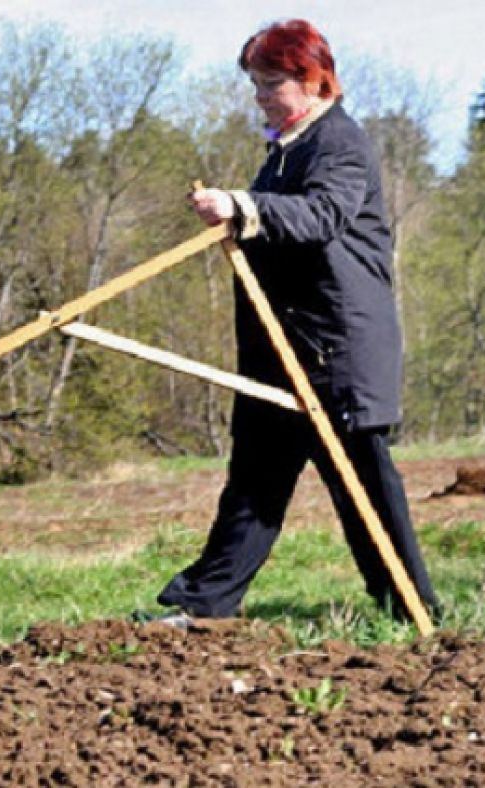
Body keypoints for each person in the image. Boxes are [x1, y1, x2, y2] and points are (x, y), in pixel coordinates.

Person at [155, 19, 440, 625]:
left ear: (313, 81)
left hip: (336, 351)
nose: (260, 96)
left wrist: (241, 206)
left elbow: (322, 215)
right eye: (256, 84)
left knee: (363, 487)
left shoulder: (338, 142)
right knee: (255, 481)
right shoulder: (284, 152)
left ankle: (413, 610)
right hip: (281, 351)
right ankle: (203, 605)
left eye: (272, 83)